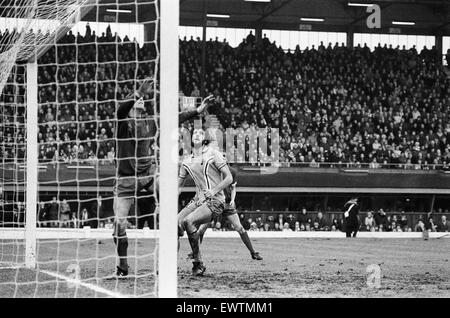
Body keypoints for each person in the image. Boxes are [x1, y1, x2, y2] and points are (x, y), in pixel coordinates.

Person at [113, 78, 157, 277]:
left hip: (148, 176)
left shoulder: (149, 123)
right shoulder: (123, 124)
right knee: (119, 225)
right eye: (135, 102)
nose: (139, 103)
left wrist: (197, 112)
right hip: (126, 180)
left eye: (141, 102)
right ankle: (123, 266)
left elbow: (176, 118)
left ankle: (174, 261)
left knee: (173, 213)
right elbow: (121, 110)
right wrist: (138, 93)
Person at [177, 127, 233, 276]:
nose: (196, 134)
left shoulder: (213, 154)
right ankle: (170, 263)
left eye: (200, 133)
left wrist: (213, 191)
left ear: (205, 138)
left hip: (215, 200)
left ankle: (198, 263)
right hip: (198, 200)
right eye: (194, 132)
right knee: (174, 225)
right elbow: (178, 185)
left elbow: (229, 178)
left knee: (188, 222)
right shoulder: (186, 160)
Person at [191, 166, 263, 261]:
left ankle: (253, 253)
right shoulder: (210, 171)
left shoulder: (232, 171)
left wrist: (233, 200)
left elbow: (233, 188)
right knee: (202, 229)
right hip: (214, 203)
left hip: (227, 204)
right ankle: (195, 253)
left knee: (240, 228)